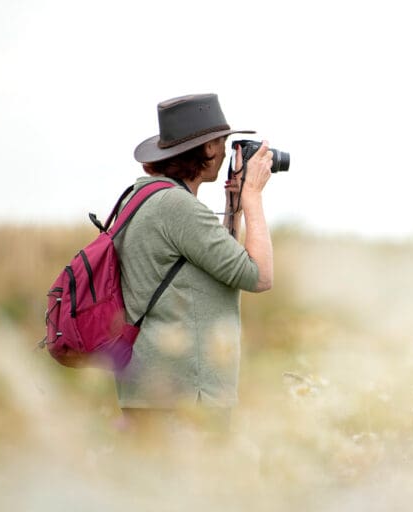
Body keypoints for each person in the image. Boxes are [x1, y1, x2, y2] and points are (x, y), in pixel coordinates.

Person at [113, 93, 273, 440]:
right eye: (224, 143)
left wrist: (233, 206)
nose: (227, 153)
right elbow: (259, 275)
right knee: (192, 494)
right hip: (186, 396)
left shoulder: (142, 197)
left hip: (149, 389)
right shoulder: (177, 207)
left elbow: (217, 266)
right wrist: (254, 197)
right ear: (208, 150)